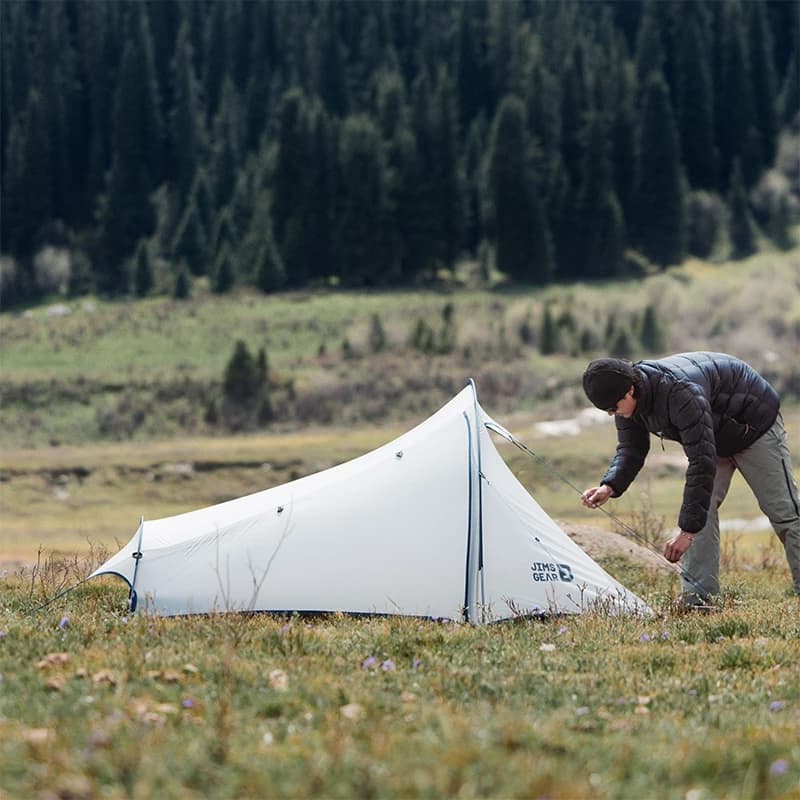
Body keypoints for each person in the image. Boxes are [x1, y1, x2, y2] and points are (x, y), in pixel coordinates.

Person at [580, 352, 800, 605]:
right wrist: (609, 486)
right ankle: (699, 600)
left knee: (784, 510)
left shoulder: (680, 393)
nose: (612, 414)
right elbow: (631, 449)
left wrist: (686, 532)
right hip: (713, 433)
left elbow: (701, 462)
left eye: (612, 408)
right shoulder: (627, 402)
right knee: (700, 513)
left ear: (630, 390)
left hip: (754, 425)